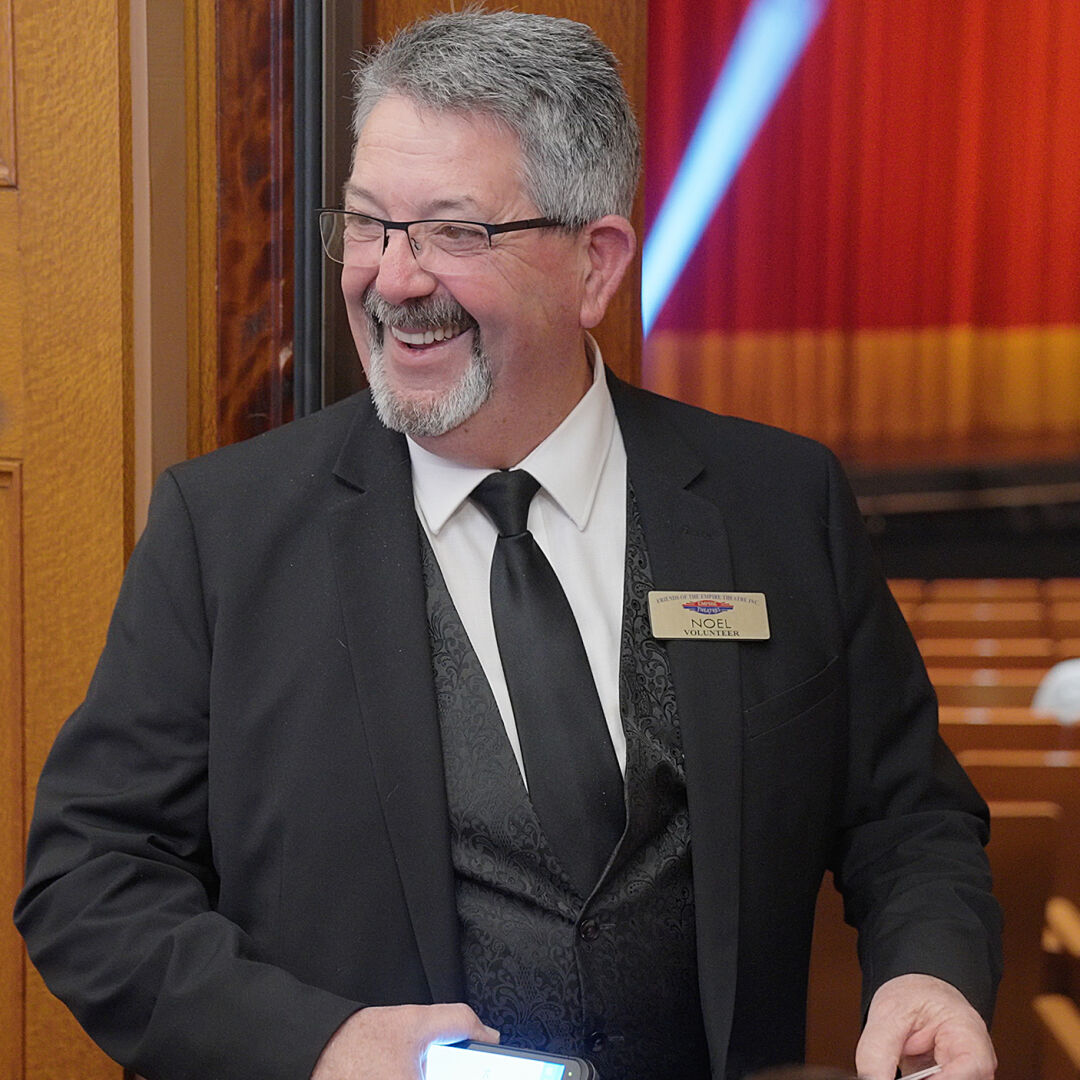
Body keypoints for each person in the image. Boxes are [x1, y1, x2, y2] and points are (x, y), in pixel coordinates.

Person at [15, 9, 1001, 1080]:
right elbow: (87, 877)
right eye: (367, 223)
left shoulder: (779, 504)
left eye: (454, 231)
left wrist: (929, 974)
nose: (392, 279)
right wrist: (317, 1047)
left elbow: (910, 816)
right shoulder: (225, 532)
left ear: (596, 265)